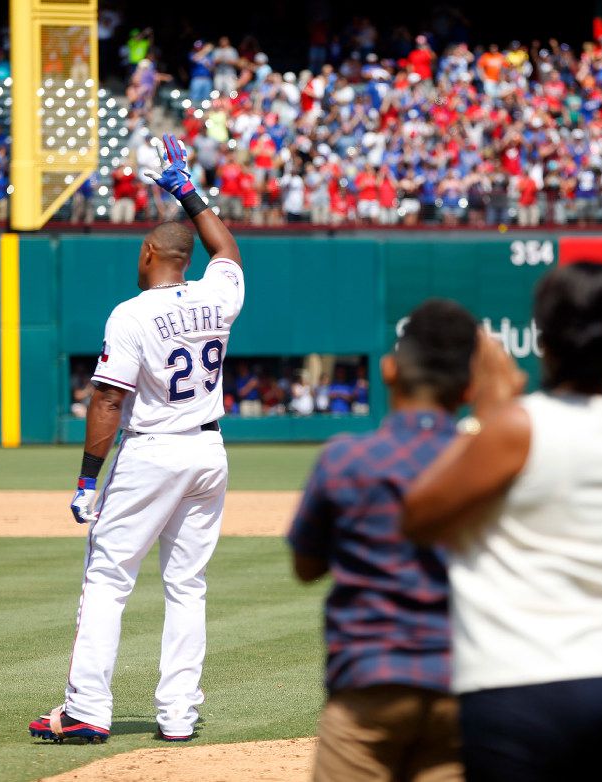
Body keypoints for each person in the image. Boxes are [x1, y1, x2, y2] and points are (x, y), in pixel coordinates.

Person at [403, 263, 602, 782]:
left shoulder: (516, 426)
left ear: (546, 339)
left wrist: (486, 405)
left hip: (517, 683)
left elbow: (417, 515)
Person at [29, 134, 245, 744]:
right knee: (187, 585)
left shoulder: (131, 313)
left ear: (151, 250)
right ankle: (178, 715)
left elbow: (107, 399)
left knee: (108, 577)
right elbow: (226, 248)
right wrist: (188, 189)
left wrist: (87, 481)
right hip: (209, 451)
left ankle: (85, 709)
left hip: (154, 450)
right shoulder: (216, 296)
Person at [289, 298, 478, 782]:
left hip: (368, 685)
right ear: (469, 386)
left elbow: (306, 566)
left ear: (390, 370)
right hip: (462, 686)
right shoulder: (485, 465)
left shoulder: (345, 458)